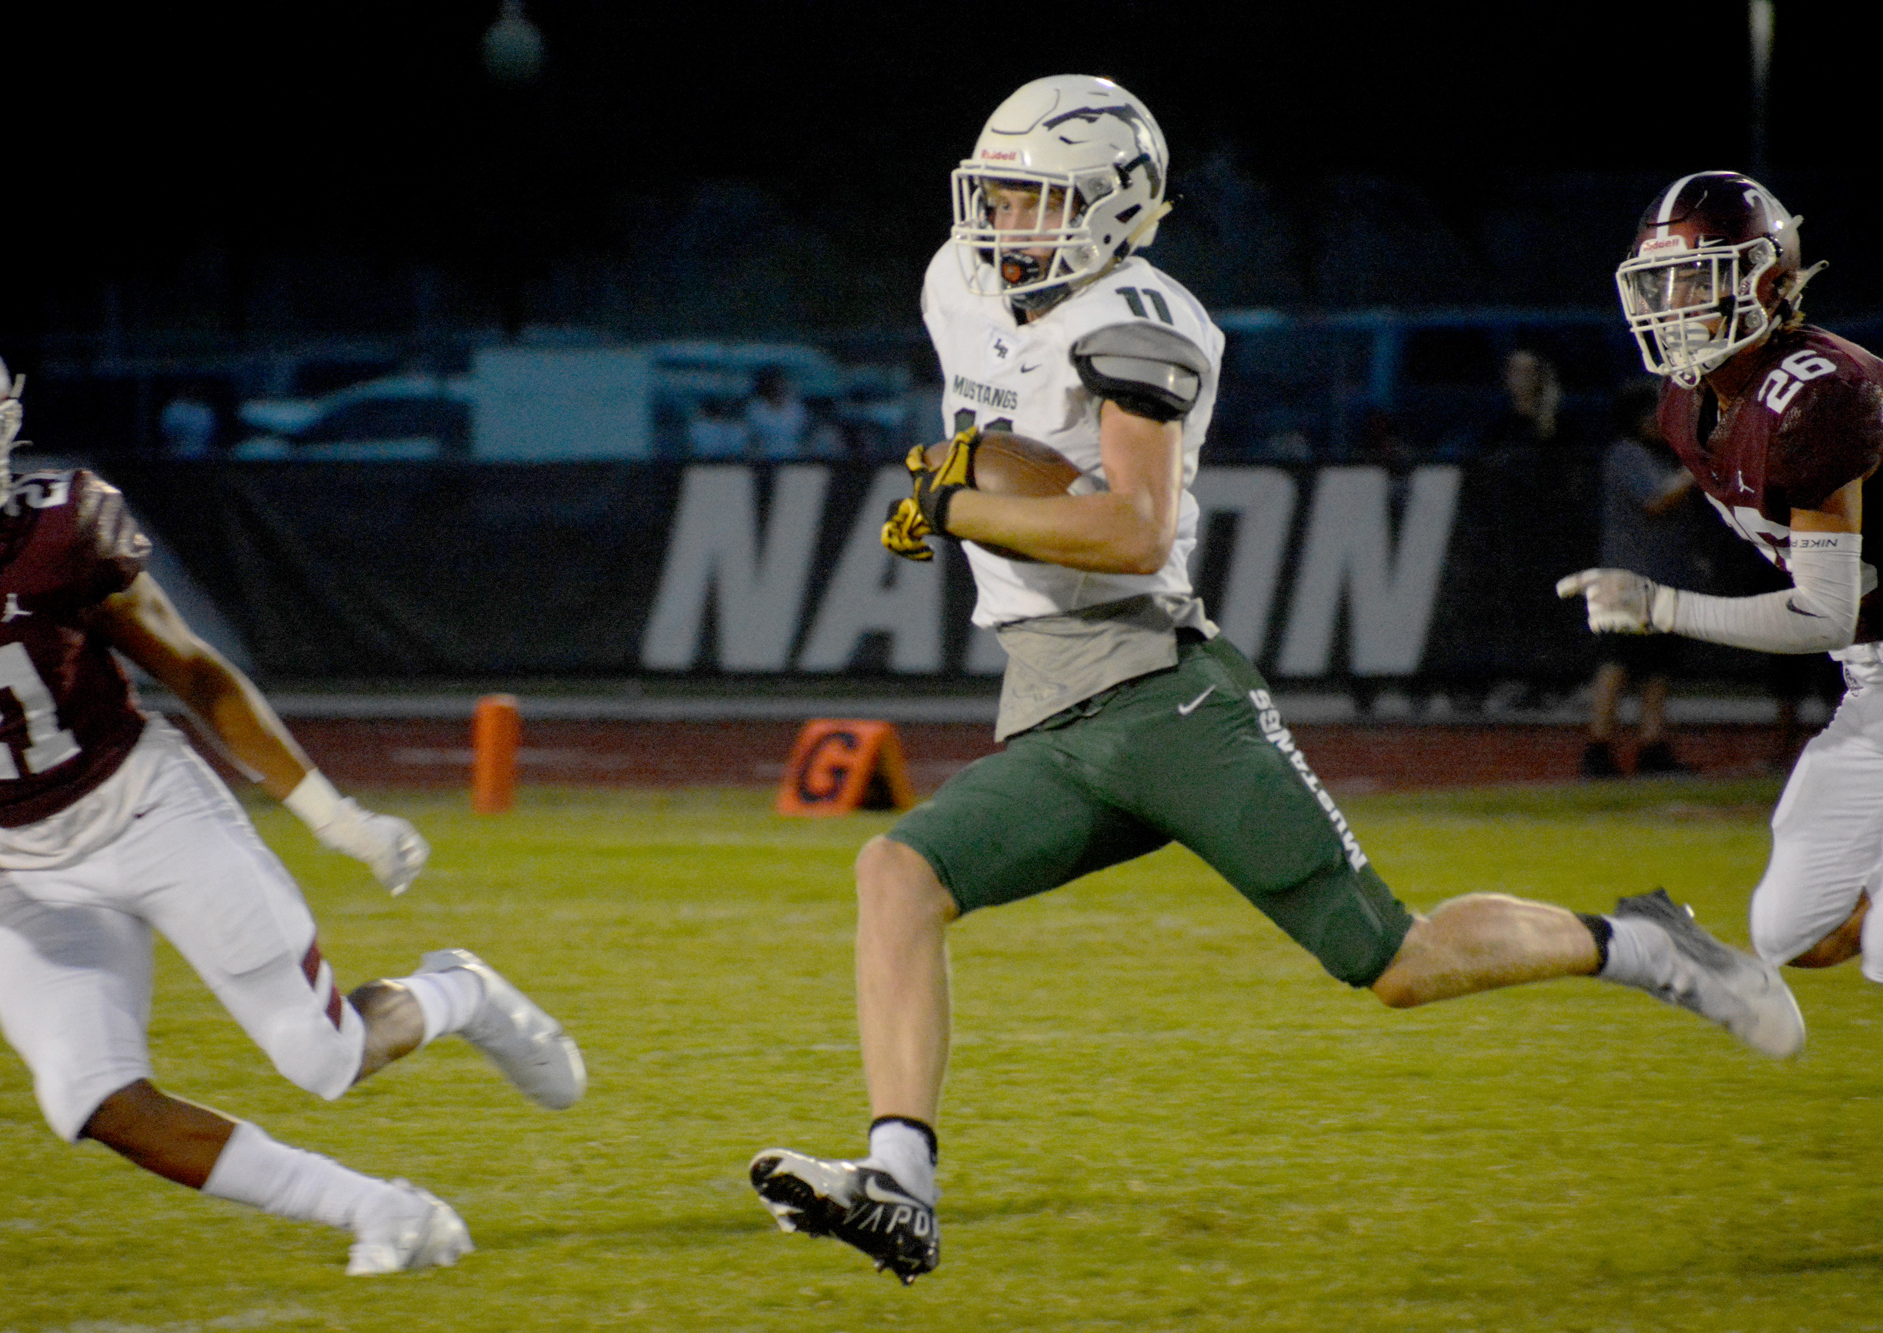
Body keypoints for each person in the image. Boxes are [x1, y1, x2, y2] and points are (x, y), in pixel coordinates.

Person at [748, 82, 1803, 1288]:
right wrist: (976, 469)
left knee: (1389, 961)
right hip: (1054, 708)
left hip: (1161, 698)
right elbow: (1023, 447)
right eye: (993, 189)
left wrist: (959, 501)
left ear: (1112, 210)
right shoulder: (957, 280)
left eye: (1033, 197)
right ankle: (903, 1184)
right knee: (895, 870)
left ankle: (1643, 946)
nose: (1001, 217)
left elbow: (1134, 530)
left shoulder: (1146, 319)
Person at [0, 313, 586, 1275]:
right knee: (87, 1096)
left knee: (323, 1054)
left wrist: (333, 814)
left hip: (149, 809)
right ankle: (385, 1211)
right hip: (29, 868)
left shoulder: (59, 529)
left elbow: (198, 672)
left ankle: (461, 990)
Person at [1561, 171, 1883, 993]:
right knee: (1791, 929)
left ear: (1768, 282)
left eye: (1698, 280)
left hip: (1860, 648)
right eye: (1660, 282)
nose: (1675, 304)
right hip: (1870, 674)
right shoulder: (1683, 405)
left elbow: (1823, 611)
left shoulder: (1823, 395)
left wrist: (1661, 606)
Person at [1581, 379, 1703, 777]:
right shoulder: (1626, 454)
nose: (1657, 422)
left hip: (1664, 577)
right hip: (1627, 578)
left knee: (1658, 668)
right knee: (1618, 662)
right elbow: (1655, 500)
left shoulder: (1663, 456)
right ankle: (1598, 748)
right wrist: (1697, 468)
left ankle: (1653, 747)